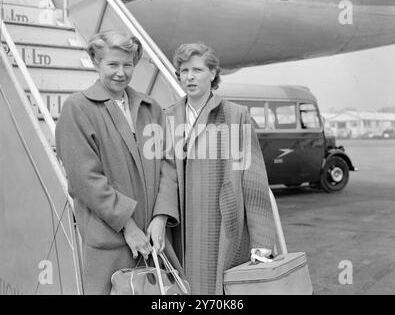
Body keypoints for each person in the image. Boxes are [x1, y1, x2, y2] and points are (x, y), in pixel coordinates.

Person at [55, 30, 179, 294]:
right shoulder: (77, 108)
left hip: (155, 239)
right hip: (112, 240)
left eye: (128, 64)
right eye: (112, 64)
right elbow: (85, 179)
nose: (120, 72)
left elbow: (168, 166)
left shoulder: (151, 108)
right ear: (95, 61)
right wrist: (128, 226)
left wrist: (160, 217)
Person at [154, 42, 276, 294]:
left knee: (222, 291)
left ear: (212, 74)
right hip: (181, 230)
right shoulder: (168, 116)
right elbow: (165, 175)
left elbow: (254, 182)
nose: (189, 77)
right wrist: (160, 216)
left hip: (223, 226)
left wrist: (262, 243)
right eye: (184, 70)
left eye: (197, 70)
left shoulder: (236, 115)